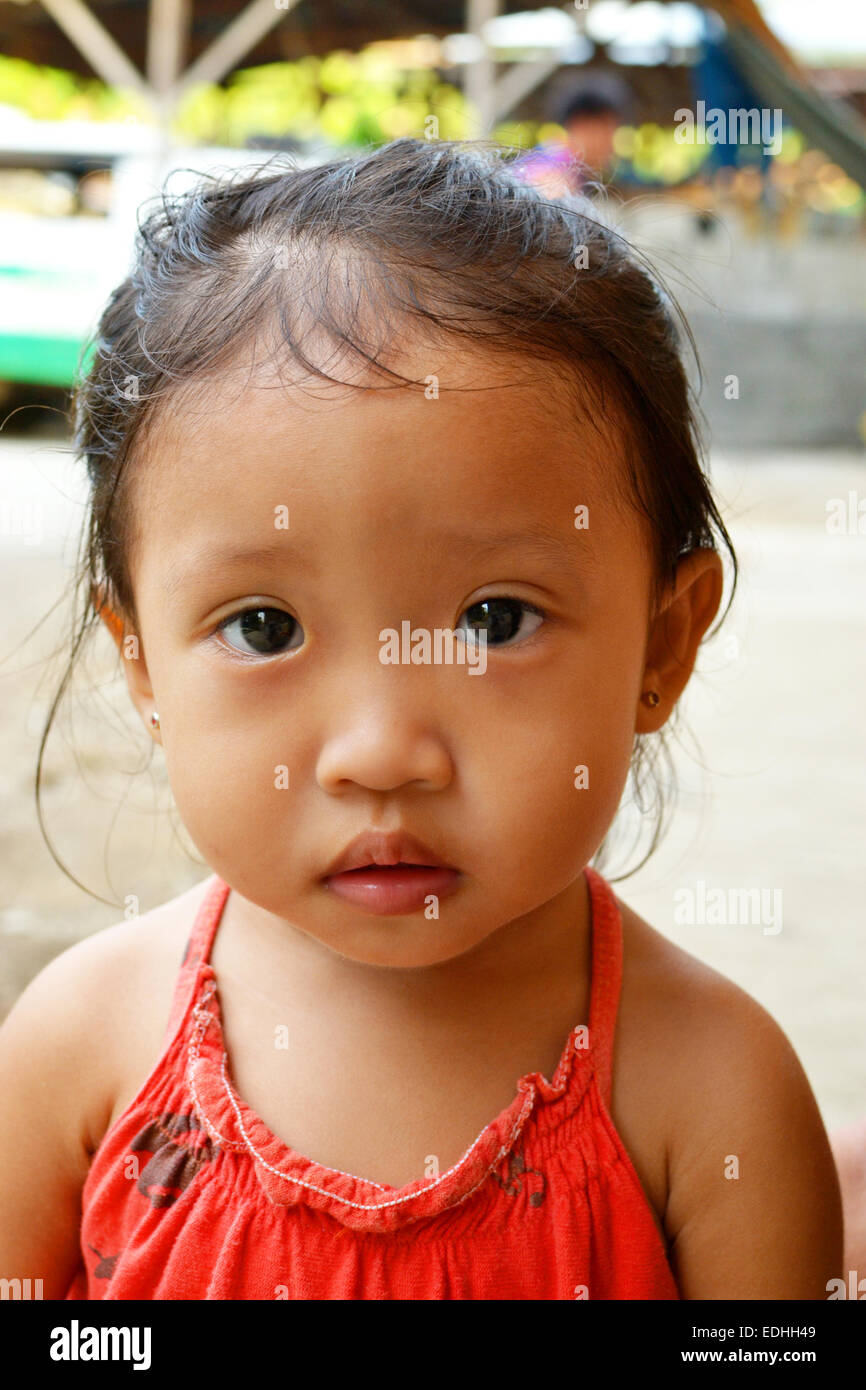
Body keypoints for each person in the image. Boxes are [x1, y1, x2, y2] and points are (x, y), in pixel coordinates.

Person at [0, 138, 842, 1300]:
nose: (381, 751)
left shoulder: (711, 1096)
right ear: (140, 659)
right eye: (261, 627)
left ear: (662, 642)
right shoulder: (76, 1049)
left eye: (495, 618)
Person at [513, 74, 632, 197]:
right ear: (581, 126)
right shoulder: (552, 178)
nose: (610, 144)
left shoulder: (554, 158)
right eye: (607, 130)